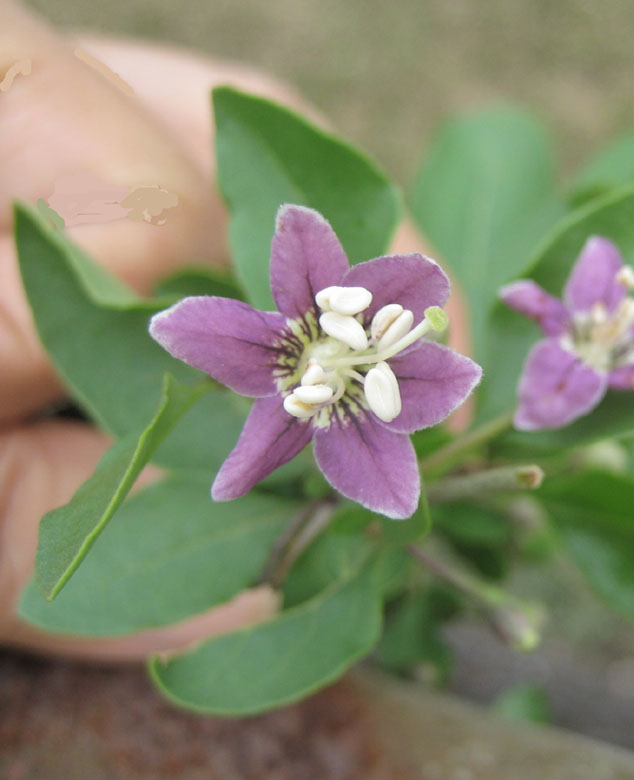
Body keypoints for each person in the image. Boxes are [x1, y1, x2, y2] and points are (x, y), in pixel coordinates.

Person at [0, 0, 450, 660]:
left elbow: (388, 474)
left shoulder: (352, 399)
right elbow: (279, 249)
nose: (339, 363)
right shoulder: (286, 322)